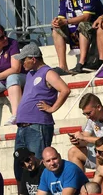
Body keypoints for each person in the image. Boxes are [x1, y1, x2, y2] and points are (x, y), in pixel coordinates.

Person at [13, 43, 70, 179]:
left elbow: (65, 89)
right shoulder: (30, 74)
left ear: (33, 59)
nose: (21, 63)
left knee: (38, 165)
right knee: (20, 166)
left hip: (37, 125)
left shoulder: (48, 72)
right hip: (23, 126)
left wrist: (52, 109)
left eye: (23, 59)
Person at [50, 0, 103, 74]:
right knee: (56, 29)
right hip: (75, 28)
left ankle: (81, 63)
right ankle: (63, 67)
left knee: (82, 25)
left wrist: (66, 21)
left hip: (95, 28)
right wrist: (56, 22)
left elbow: (86, 17)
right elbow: (61, 17)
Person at [68, 93, 103, 172]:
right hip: (100, 153)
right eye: (85, 114)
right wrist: (77, 141)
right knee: (73, 152)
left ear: (99, 107)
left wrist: (84, 137)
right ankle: (81, 183)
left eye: (89, 113)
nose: (87, 117)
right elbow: (85, 137)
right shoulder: (92, 119)